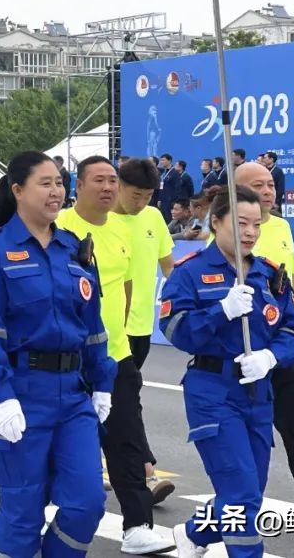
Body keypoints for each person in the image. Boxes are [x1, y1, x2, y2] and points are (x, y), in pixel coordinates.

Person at [0, 151, 116, 558]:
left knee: (87, 502)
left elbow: (93, 327)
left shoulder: (74, 250)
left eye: (60, 183)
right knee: (22, 511)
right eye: (45, 183)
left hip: (72, 395)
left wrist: (103, 383)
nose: (56, 191)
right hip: (21, 390)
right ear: (17, 190)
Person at [162, 186, 294, 558]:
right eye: (241, 223)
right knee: (242, 498)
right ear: (216, 222)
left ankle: (194, 533)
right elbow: (176, 330)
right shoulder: (191, 271)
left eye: (256, 224)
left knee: (248, 491)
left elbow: (293, 331)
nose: (250, 232)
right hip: (212, 392)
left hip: (258, 392)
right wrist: (220, 311)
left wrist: (271, 358)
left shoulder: (268, 274)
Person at [57, 156, 172, 554]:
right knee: (69, 443)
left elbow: (122, 294)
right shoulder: (60, 230)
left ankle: (138, 525)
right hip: (65, 356)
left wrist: (115, 341)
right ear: (79, 185)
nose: (107, 188)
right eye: (99, 181)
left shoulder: (122, 234)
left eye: (111, 181)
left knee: (125, 440)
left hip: (114, 355)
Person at [231, 162, 294, 533]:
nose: (268, 191)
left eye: (270, 184)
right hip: (248, 352)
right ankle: (241, 509)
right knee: (251, 437)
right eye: (258, 185)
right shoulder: (226, 233)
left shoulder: (284, 226)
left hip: (286, 349)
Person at [114, 158, 177, 507]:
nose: (141, 203)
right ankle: (146, 472)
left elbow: (170, 267)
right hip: (107, 330)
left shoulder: (153, 218)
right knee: (125, 401)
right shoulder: (101, 218)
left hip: (140, 328)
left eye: (148, 196)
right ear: (119, 185)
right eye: (136, 195)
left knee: (119, 401)